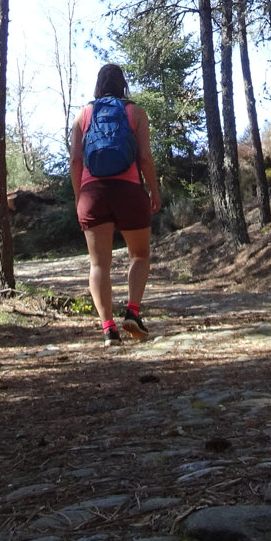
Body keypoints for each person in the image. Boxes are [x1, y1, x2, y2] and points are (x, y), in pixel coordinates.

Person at [68, 63, 161, 346]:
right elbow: (144, 157)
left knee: (99, 264)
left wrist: (79, 195)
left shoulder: (83, 115)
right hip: (129, 191)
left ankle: (108, 329)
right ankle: (132, 311)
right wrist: (154, 190)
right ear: (123, 85)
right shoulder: (136, 112)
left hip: (92, 193)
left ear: (98, 86)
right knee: (140, 255)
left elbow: (75, 161)